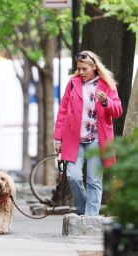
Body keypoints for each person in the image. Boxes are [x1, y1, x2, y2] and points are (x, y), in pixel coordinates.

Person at [54, 50, 123, 216]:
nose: (81, 72)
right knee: (73, 176)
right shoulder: (73, 83)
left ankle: (91, 217)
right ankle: (83, 208)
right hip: (74, 139)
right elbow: (62, 111)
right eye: (79, 68)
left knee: (93, 180)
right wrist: (58, 138)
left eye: (84, 69)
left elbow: (118, 111)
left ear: (94, 67)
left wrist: (106, 101)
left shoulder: (107, 84)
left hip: (97, 140)